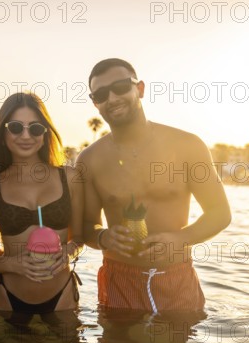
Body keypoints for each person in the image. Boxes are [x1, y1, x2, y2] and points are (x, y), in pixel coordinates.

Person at [77, 58, 231, 313]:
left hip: (176, 278)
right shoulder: (90, 159)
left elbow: (220, 213)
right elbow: (85, 228)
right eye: (102, 94)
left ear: (140, 89)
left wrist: (180, 238)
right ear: (95, 103)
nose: (112, 98)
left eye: (120, 87)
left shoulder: (188, 145)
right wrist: (103, 236)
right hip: (118, 282)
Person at [0, 92, 84, 315]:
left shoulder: (70, 178)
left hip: (61, 296)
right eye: (16, 127)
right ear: (3, 132)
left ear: (45, 133)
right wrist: (13, 264)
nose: (26, 135)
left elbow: (80, 238)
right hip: (6, 298)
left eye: (35, 128)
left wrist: (68, 252)